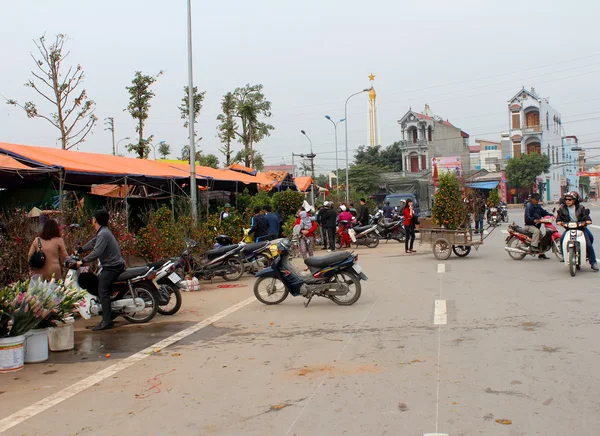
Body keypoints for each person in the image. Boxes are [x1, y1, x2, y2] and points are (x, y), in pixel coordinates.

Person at [77, 210, 125, 331]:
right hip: (112, 266)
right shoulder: (102, 233)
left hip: (112, 267)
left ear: (96, 220)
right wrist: (80, 249)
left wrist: (82, 261)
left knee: (102, 289)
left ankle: (107, 320)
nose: (91, 220)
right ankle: (109, 312)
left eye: (93, 218)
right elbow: (93, 243)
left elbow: (97, 251)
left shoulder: (103, 234)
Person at [556, 191, 598, 271]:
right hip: (569, 228)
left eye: (570, 199)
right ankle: (563, 256)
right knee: (562, 240)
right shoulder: (562, 209)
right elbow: (559, 218)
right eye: (566, 199)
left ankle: (593, 263)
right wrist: (559, 222)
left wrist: (587, 221)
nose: (567, 201)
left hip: (581, 228)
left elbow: (587, 218)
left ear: (574, 200)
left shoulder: (581, 208)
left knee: (589, 243)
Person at [523, 193, 554, 257]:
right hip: (529, 226)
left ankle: (541, 253)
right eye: (535, 199)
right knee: (537, 232)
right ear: (531, 199)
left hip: (536, 226)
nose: (537, 201)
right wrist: (533, 220)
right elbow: (527, 218)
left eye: (538, 200)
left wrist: (551, 215)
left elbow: (544, 213)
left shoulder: (538, 207)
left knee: (542, 238)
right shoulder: (529, 207)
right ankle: (533, 246)